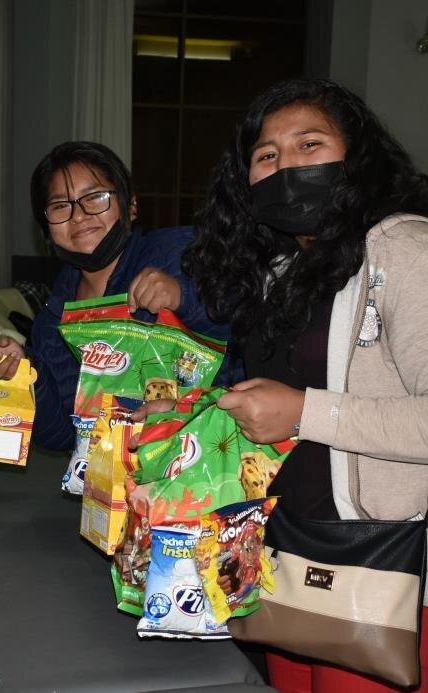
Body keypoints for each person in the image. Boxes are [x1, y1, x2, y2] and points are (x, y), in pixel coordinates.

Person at [181, 77, 428, 693]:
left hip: (388, 567)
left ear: (357, 156)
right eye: (267, 156)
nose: (286, 166)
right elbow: (278, 399)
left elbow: (304, 408)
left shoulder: (405, 249)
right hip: (288, 556)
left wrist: (301, 413)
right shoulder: (285, 270)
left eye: (309, 145)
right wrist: (199, 410)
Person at [0, 141, 228, 451]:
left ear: (131, 205)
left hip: (203, 467)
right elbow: (65, 439)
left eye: (95, 197)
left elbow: (245, 333)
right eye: (61, 205)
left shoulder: (179, 255)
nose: (79, 215)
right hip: (110, 489)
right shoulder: (52, 323)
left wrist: (184, 297)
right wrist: (26, 375)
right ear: (46, 229)